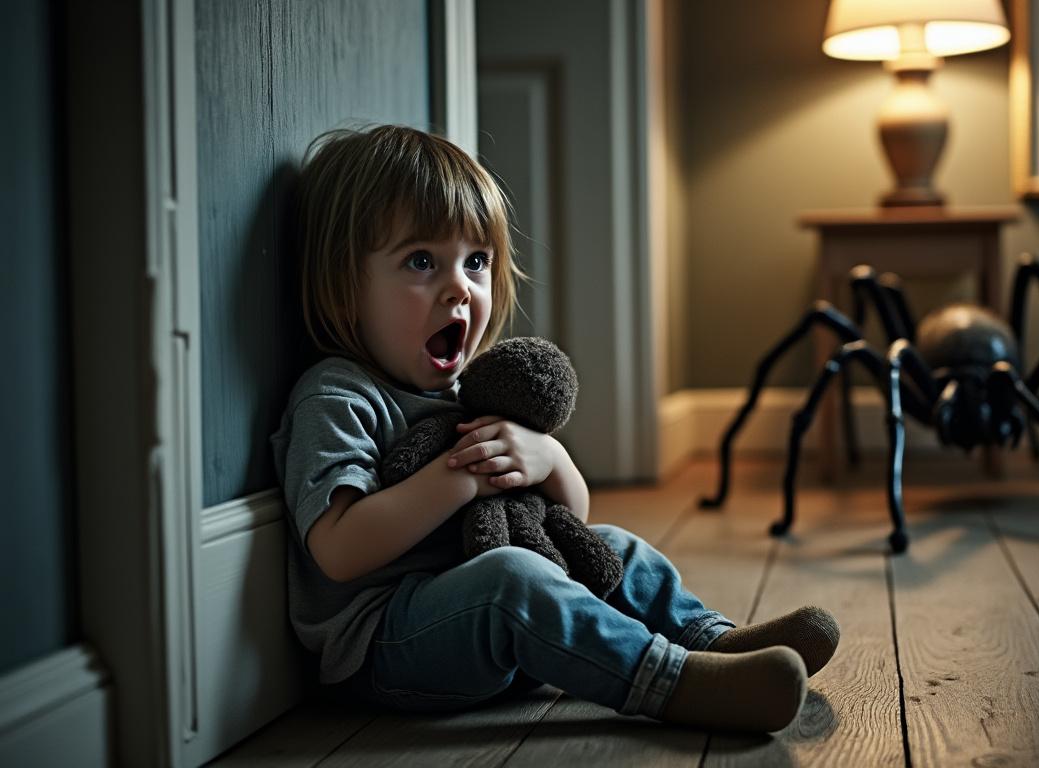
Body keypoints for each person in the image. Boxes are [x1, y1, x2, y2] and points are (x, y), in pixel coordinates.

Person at [270, 124, 840, 732]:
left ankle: (714, 642)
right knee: (512, 579)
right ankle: (677, 684)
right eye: (421, 261)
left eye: (476, 262)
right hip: (388, 648)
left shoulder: (466, 394)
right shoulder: (339, 395)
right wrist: (462, 479)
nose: (459, 288)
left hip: (493, 632)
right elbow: (339, 550)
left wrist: (549, 459)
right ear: (345, 286)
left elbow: (571, 517)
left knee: (613, 545)